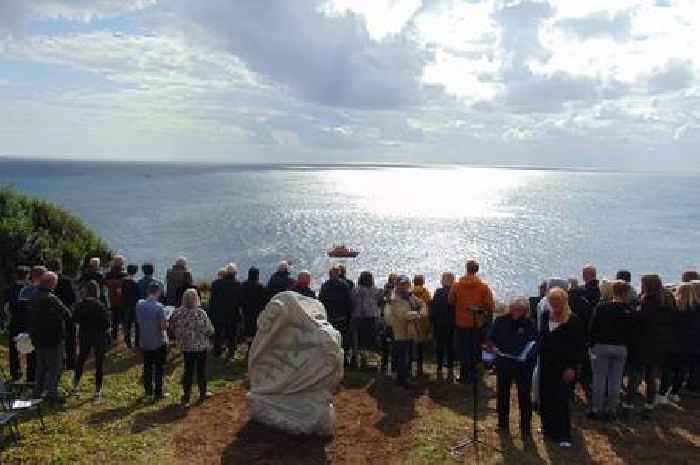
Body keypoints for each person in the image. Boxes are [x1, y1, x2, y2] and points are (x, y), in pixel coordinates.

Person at [537, 287, 585, 448]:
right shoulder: (545, 316)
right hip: (546, 364)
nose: (555, 303)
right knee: (546, 396)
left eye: (558, 300)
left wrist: (572, 367)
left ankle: (563, 434)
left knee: (562, 400)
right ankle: (548, 428)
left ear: (564, 301)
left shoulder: (573, 320)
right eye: (552, 300)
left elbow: (578, 347)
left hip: (564, 367)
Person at [624, 274, 675, 417]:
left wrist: (631, 311)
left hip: (643, 344)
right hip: (660, 344)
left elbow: (639, 320)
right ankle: (649, 404)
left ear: (647, 285)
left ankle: (628, 404)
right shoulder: (667, 300)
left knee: (635, 376)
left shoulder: (648, 302)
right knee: (651, 377)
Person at [486, 297, 537, 436]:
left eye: (520, 310)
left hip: (523, 365)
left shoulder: (530, 324)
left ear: (525, 311)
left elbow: (534, 343)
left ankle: (525, 427)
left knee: (524, 395)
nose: (516, 312)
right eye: (514, 309)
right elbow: (490, 337)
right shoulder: (501, 321)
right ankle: (502, 424)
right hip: (504, 362)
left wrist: (525, 355)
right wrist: (492, 347)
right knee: (502, 393)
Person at [588, 280, 633, 420]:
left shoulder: (602, 308)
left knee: (599, 378)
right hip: (621, 347)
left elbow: (592, 327)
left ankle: (597, 408)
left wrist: (591, 343)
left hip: (601, 346)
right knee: (616, 379)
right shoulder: (630, 310)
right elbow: (633, 332)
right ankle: (612, 408)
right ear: (626, 293)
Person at [448, 260, 495, 384]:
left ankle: (463, 375)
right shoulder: (483, 287)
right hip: (477, 323)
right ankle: (474, 375)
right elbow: (490, 305)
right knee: (475, 348)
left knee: (463, 349)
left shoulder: (457, 285)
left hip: (461, 322)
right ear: (477, 270)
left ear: (466, 269)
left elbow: (451, 301)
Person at [29, 272, 73, 403]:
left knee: (41, 367)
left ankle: (37, 392)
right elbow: (66, 313)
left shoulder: (33, 296)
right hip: (52, 337)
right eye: (54, 283)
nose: (55, 285)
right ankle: (52, 393)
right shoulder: (51, 298)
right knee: (55, 367)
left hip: (37, 336)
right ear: (49, 283)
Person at [170, 288, 215, 405]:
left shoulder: (177, 312)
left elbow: (172, 327)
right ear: (197, 299)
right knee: (201, 370)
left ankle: (186, 395)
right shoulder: (201, 313)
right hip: (201, 347)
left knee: (188, 370)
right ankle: (203, 392)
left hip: (186, 347)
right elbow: (210, 330)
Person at [72, 280, 110, 403]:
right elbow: (106, 323)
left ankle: (76, 385)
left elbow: (75, 319)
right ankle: (97, 391)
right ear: (97, 291)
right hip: (99, 336)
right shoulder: (100, 305)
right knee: (99, 363)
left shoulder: (81, 304)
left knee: (81, 359)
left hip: (84, 334)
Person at [659, 283, 696, 403]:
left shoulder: (673, 308)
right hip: (690, 343)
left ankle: (662, 393)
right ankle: (674, 392)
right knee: (682, 369)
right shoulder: (696, 309)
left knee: (668, 370)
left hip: (672, 343)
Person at [387, 275, 426, 388]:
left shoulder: (409, 296)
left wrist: (420, 312)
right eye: (402, 284)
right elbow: (403, 314)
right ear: (397, 285)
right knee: (402, 356)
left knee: (406, 355)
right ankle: (402, 380)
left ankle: (404, 377)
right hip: (399, 331)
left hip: (409, 331)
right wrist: (418, 314)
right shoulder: (394, 298)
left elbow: (422, 304)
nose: (404, 286)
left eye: (406, 284)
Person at [136, 282, 169, 400]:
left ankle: (148, 389)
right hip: (158, 341)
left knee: (147, 365)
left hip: (144, 340)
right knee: (159, 367)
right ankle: (158, 391)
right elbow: (163, 327)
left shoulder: (139, 304)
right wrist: (167, 319)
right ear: (158, 292)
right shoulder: (159, 307)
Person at [47, 258, 77, 370]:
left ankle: (55, 362)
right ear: (60, 267)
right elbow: (73, 298)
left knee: (53, 341)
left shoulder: (45, 281)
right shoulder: (66, 280)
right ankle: (70, 363)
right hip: (65, 312)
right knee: (70, 338)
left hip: (50, 315)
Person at [319, 266, 353, 366]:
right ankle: (343, 359)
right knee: (342, 339)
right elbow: (349, 302)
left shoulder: (325, 285)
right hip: (341, 317)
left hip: (330, 317)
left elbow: (321, 301)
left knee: (330, 338)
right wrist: (349, 315)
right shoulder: (344, 285)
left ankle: (330, 359)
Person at [350, 271, 382, 369]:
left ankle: (357, 360)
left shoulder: (355, 290)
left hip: (358, 316)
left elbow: (352, 301)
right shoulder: (376, 290)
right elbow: (379, 302)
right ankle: (370, 362)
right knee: (370, 340)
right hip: (372, 317)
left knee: (358, 340)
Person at [209, 263, 242, 358]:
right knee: (231, 334)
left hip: (217, 312)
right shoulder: (237, 284)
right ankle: (231, 352)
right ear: (235, 273)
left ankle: (217, 351)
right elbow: (240, 301)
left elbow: (212, 299)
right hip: (232, 313)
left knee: (218, 333)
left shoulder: (216, 283)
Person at [4, 266, 30, 381]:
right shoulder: (30, 289)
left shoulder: (9, 289)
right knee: (30, 347)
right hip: (27, 322)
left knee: (13, 349)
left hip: (15, 321)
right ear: (27, 276)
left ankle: (15, 372)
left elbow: (6, 308)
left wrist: (9, 318)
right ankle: (31, 373)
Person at [431, 272, 456, 381]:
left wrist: (432, 321)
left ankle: (439, 368)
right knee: (450, 347)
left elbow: (433, 309)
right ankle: (450, 369)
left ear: (443, 281)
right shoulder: (455, 293)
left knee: (440, 347)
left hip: (439, 324)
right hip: (451, 324)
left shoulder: (438, 292)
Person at [411, 275, 432, 377]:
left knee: (410, 346)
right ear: (423, 282)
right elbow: (429, 306)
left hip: (411, 321)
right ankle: (419, 369)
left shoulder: (409, 292)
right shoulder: (426, 293)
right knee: (420, 348)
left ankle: (409, 368)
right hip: (422, 322)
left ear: (413, 282)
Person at [240, 267, 268, 343]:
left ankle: (247, 343)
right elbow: (264, 300)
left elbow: (240, 298)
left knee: (247, 327)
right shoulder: (260, 286)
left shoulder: (243, 285)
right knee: (256, 328)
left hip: (246, 310)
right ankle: (254, 344)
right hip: (257, 312)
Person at [104, 255, 127, 343]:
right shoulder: (123, 274)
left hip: (112, 299)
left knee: (114, 320)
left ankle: (114, 337)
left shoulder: (108, 274)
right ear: (121, 263)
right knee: (124, 320)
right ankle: (124, 339)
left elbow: (106, 284)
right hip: (122, 300)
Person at [121, 264, 141, 348]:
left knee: (127, 324)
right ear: (135, 272)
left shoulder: (123, 281)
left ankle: (127, 342)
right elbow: (138, 295)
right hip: (134, 306)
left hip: (125, 305)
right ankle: (137, 343)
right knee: (137, 325)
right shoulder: (135, 283)